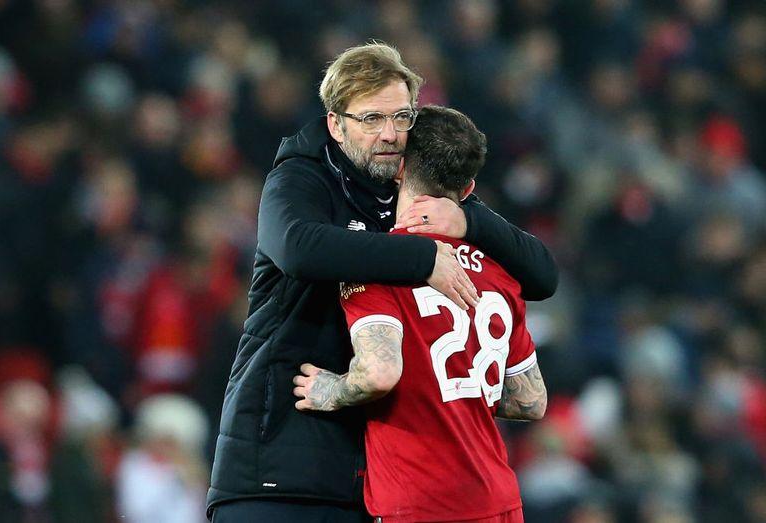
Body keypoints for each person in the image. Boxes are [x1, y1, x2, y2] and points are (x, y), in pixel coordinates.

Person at [207, 43, 556, 522]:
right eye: (371, 119)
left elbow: (541, 274)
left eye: (401, 117)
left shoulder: (413, 191)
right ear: (336, 125)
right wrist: (423, 257)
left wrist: (470, 222)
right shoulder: (301, 179)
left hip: (369, 479)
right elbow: (298, 249)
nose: (390, 134)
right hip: (280, 460)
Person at [293, 105, 547, 523]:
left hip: (420, 502)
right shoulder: (501, 273)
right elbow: (531, 401)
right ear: (468, 189)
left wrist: (332, 390)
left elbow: (379, 374)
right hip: (499, 501)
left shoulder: (377, 264)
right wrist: (461, 392)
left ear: (398, 168)